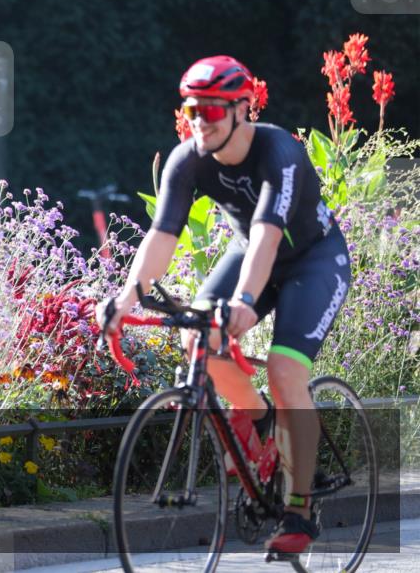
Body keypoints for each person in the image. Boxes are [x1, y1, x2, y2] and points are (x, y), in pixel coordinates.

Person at [97, 55, 351, 555]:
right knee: (197, 338)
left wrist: (245, 303)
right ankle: (259, 423)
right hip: (248, 253)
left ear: (242, 108)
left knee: (284, 369)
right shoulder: (187, 158)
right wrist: (127, 296)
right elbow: (162, 235)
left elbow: (265, 235)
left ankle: (300, 508)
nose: (198, 122)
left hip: (312, 259)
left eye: (210, 111)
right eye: (191, 109)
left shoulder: (279, 151)